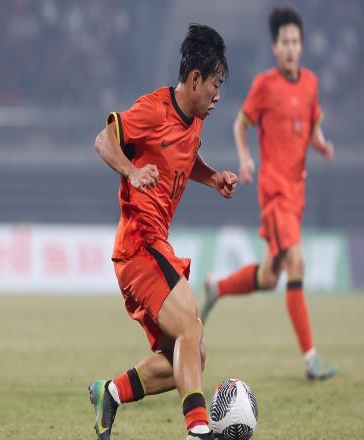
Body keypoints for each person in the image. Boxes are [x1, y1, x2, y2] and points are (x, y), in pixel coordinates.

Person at [89, 24, 237, 440]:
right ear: (195, 79)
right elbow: (103, 140)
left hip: (151, 247)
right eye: (215, 85)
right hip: (139, 244)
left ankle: (111, 393)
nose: (218, 96)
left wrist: (213, 177)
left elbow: (186, 156)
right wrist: (131, 171)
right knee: (191, 327)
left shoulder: (194, 119)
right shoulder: (153, 110)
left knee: (191, 356)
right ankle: (198, 430)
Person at [200, 6, 338, 381]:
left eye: (295, 42)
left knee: (269, 277)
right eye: (285, 42)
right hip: (275, 193)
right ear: (275, 48)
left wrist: (321, 144)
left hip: (297, 193)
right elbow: (241, 124)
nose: (291, 48)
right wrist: (246, 159)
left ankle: (217, 288)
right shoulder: (264, 85)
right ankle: (310, 359)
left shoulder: (310, 83)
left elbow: (311, 126)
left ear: (301, 46)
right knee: (297, 263)